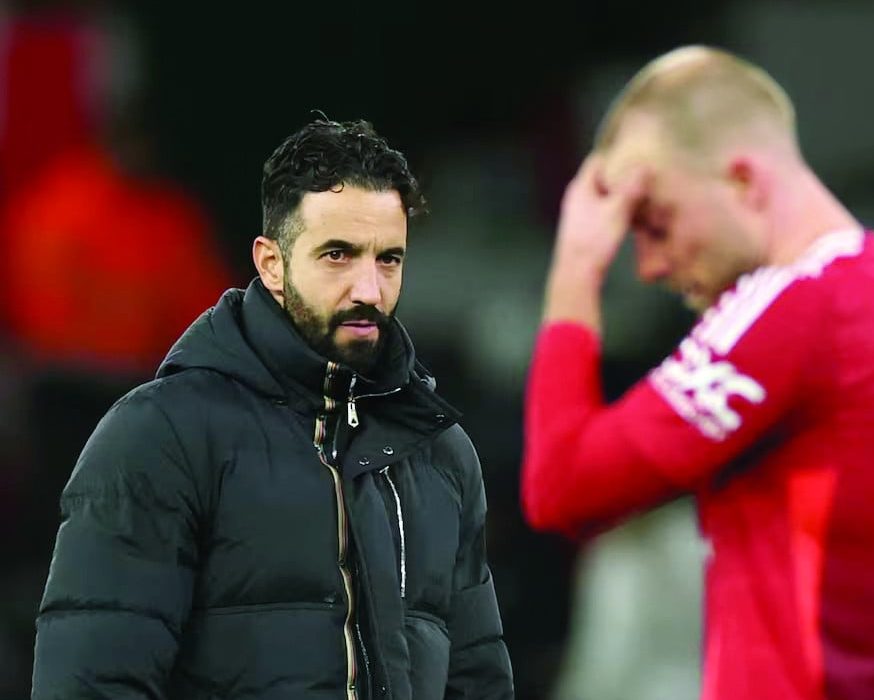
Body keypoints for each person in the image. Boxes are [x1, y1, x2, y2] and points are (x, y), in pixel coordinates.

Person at [522, 46, 874, 700]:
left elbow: (561, 488)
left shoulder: (799, 303)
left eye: (657, 224)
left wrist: (577, 265)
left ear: (745, 182)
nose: (648, 266)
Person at [32, 118, 514, 700]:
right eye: (338, 254)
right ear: (271, 265)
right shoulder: (161, 435)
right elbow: (91, 682)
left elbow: (478, 679)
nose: (370, 288)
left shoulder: (441, 453)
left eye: (389, 259)